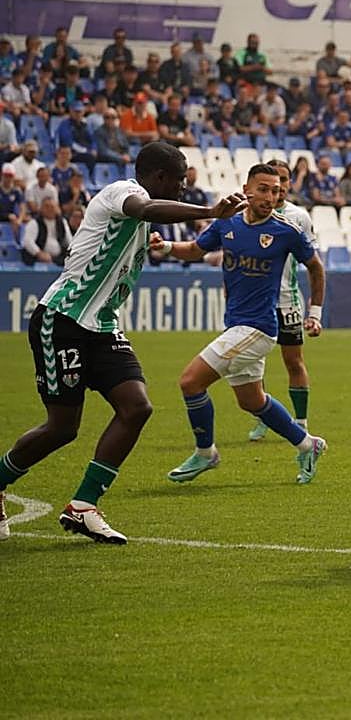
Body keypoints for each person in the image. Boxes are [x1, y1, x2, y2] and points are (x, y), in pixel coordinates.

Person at [0, 143, 243, 545]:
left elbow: (150, 231)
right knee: (62, 428)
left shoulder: (146, 220)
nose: (184, 189)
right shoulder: (120, 192)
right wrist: (210, 212)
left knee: (137, 406)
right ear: (160, 178)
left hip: (102, 326)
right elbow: (146, 210)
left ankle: (84, 505)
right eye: (180, 182)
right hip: (63, 320)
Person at [154, 164, 328, 486]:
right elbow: (195, 250)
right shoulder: (227, 222)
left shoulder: (286, 230)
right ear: (246, 188)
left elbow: (316, 268)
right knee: (251, 400)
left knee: (191, 382)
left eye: (275, 191)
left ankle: (206, 453)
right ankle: (308, 443)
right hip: (235, 324)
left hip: (258, 328)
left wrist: (314, 312)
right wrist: (165, 247)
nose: (270, 196)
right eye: (263, 189)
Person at [246, 161, 320, 442]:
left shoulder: (298, 217)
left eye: (286, 180)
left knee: (293, 360)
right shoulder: (248, 214)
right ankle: (264, 418)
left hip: (288, 302)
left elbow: (314, 262)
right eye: (276, 181)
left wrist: (315, 310)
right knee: (253, 362)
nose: (282, 186)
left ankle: (300, 420)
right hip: (256, 303)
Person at [20, 197, 71, 266]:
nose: (50, 209)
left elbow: (69, 241)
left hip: (58, 257)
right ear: (41, 208)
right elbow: (28, 241)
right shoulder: (34, 223)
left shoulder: (63, 222)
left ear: (57, 208)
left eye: (52, 207)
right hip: (38, 257)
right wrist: (39, 253)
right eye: (46, 206)